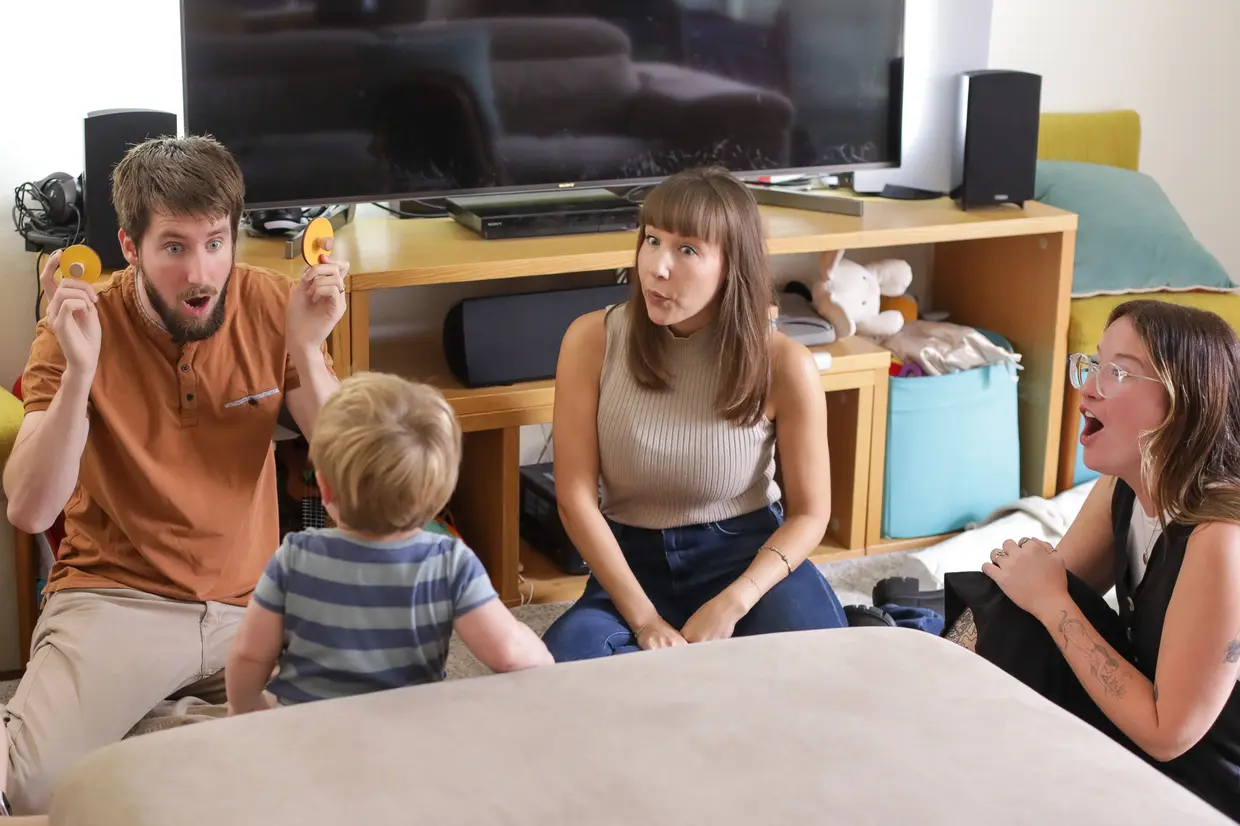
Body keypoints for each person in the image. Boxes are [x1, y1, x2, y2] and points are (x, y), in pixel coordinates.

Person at [0, 135, 347, 817]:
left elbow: (356, 489)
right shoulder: (79, 321)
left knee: (345, 755)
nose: (201, 272)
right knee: (33, 791)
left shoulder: (274, 303)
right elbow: (31, 510)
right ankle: (186, 737)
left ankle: (153, 735)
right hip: (117, 600)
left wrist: (309, 351)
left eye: (216, 243)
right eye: (175, 247)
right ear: (129, 247)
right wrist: (79, 373)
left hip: (253, 604)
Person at [942, 300, 1240, 820]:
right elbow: (1028, 600)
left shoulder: (1220, 538)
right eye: (1093, 364)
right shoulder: (1123, 487)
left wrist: (1052, 602)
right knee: (1013, 610)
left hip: (1201, 785)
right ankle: (932, 705)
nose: (1088, 389)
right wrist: (1038, 597)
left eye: (1117, 373)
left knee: (1040, 608)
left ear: (1183, 404)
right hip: (1142, 726)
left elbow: (1169, 734)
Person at [541, 166, 848, 662]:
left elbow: (811, 514)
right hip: (631, 567)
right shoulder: (590, 340)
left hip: (747, 559)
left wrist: (735, 601)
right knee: (561, 673)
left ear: (732, 265)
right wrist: (645, 620)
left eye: (686, 250)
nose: (656, 267)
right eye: (652, 240)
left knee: (820, 667)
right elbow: (574, 499)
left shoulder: (786, 364)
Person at [226, 372, 552, 713]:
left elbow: (250, 655)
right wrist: (546, 660)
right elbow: (510, 652)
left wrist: (247, 710)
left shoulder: (294, 557)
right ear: (439, 496)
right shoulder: (449, 563)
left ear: (324, 488)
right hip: (405, 733)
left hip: (307, 733)